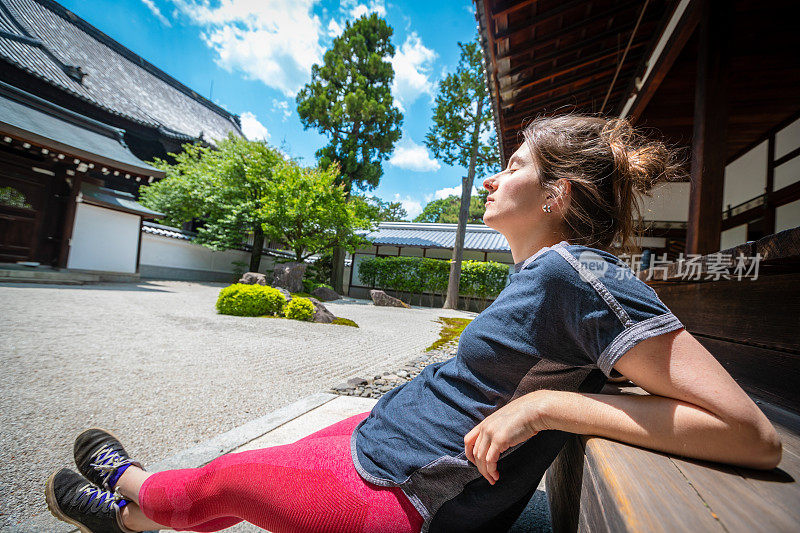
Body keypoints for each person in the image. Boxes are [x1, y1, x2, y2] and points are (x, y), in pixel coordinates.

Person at [45, 114, 782, 533]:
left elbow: (752, 433)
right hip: (389, 437)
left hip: (405, 491)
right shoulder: (548, 273)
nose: (494, 177)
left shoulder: (582, 273)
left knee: (217, 483)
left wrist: (549, 405)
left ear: (557, 192)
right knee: (240, 478)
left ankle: (132, 491)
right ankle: (131, 522)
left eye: (515, 163)